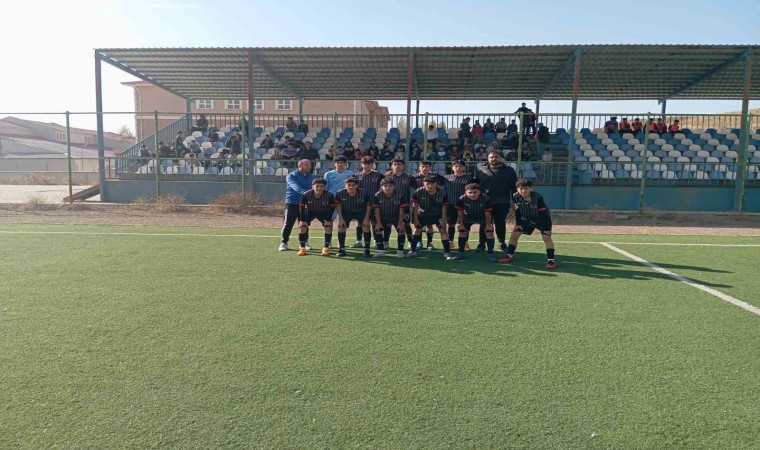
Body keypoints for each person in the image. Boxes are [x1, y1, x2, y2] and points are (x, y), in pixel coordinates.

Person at [498, 179, 556, 269]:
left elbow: (543, 213)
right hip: (527, 219)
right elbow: (517, 210)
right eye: (520, 188)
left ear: (530, 188)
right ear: (517, 189)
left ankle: (551, 261)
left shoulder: (538, 197)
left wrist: (542, 229)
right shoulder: (515, 196)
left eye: (526, 188)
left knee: (546, 237)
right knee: (514, 234)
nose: (523, 190)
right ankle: (509, 255)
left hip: (542, 219)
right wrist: (518, 223)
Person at [477, 150, 518, 252]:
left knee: (500, 223)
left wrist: (515, 201)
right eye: (491, 157)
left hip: (502, 202)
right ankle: (482, 244)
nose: (494, 159)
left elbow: (514, 188)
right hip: (485, 202)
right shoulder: (482, 171)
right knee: (484, 223)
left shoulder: (509, 170)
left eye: (496, 157)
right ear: (488, 158)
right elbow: (477, 187)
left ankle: (501, 243)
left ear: (500, 158)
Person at [449, 182, 497, 262]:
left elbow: (487, 213)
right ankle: (461, 252)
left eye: (475, 192)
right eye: (470, 192)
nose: (472, 195)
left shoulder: (485, 198)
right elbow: (460, 212)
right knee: (462, 231)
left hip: (483, 217)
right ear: (466, 192)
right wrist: (461, 224)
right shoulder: (462, 198)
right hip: (468, 217)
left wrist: (488, 224)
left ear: (479, 192)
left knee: (489, 232)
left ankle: (491, 253)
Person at [408, 174, 451, 258]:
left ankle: (447, 252)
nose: (430, 186)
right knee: (417, 229)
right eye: (427, 183)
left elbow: (444, 207)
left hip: (437, 214)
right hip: (423, 214)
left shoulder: (442, 193)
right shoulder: (418, 191)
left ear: (436, 184)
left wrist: (443, 220)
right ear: (424, 183)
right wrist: (415, 219)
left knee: (443, 230)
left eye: (432, 183)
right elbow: (415, 207)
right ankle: (412, 251)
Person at [280, 159, 314, 251]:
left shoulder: (311, 177)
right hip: (292, 203)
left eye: (310, 165)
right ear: (300, 166)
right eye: (307, 165)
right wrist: (307, 194)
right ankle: (283, 243)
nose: (309, 167)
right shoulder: (291, 176)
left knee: (304, 224)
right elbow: (295, 187)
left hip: (305, 204)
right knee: (288, 224)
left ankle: (304, 242)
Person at [297, 178, 336, 256]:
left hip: (323, 213)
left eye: (322, 186)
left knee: (328, 227)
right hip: (310, 212)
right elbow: (301, 207)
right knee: (302, 227)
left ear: (324, 187)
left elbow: (332, 208)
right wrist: (302, 220)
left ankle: (325, 248)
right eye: (317, 186)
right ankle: (302, 248)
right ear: (313, 186)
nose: (319, 188)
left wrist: (328, 219)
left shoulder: (329, 195)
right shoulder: (306, 194)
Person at [411, 161, 446, 250]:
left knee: (429, 226)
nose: (424, 168)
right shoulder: (414, 177)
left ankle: (429, 243)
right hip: (421, 204)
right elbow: (410, 185)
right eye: (423, 166)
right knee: (418, 226)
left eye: (427, 166)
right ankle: (419, 242)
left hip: (434, 203)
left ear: (430, 168)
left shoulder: (435, 176)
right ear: (419, 167)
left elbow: (443, 182)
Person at [384, 158, 418, 250]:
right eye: (395, 164)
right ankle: (385, 242)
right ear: (392, 166)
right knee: (388, 224)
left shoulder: (409, 177)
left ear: (403, 166)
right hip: (389, 205)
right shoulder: (387, 176)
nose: (397, 166)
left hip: (404, 205)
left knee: (406, 224)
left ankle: (410, 242)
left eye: (399, 164)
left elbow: (416, 188)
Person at [334, 177, 372, 257]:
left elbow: (368, 206)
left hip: (361, 212)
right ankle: (342, 249)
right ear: (345, 185)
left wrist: (366, 218)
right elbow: (338, 205)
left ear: (357, 185)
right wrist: (340, 218)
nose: (351, 187)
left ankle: (367, 249)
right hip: (346, 212)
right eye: (349, 185)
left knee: (366, 227)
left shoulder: (364, 193)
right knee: (341, 227)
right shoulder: (340, 193)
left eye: (353, 185)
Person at [353, 156, 385, 248]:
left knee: (374, 222)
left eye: (369, 164)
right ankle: (359, 241)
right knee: (360, 223)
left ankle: (376, 241)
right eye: (365, 164)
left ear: (372, 165)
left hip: (374, 204)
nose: (367, 166)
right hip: (361, 204)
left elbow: (383, 188)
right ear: (362, 164)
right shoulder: (356, 176)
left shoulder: (379, 176)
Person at [371, 178, 408, 258]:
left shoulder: (400, 195)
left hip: (396, 217)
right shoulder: (377, 195)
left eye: (390, 185)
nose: (388, 188)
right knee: (378, 230)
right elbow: (376, 210)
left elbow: (402, 210)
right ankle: (380, 251)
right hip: (383, 217)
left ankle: (400, 252)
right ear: (381, 187)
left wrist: (400, 223)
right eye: (385, 186)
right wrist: (378, 223)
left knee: (401, 231)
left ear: (394, 186)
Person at [444, 160, 475, 247]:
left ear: (464, 167)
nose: (458, 168)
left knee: (465, 224)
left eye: (460, 166)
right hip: (451, 204)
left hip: (465, 205)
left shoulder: (469, 178)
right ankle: (450, 241)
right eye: (456, 166)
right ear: (452, 167)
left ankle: (465, 242)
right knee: (451, 224)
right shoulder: (446, 178)